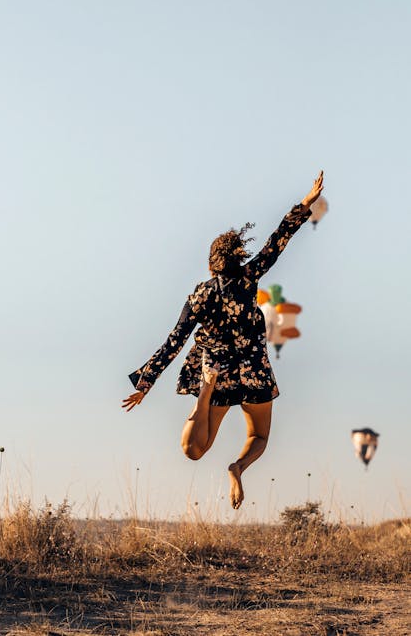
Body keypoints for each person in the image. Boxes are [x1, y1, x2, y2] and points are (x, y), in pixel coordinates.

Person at [122, 172, 324, 509]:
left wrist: (146, 382)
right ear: (238, 258)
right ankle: (237, 468)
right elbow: (279, 240)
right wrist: (304, 205)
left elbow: (174, 341)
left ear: (212, 262)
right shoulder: (248, 278)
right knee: (258, 437)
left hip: (217, 372)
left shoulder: (199, 295)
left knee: (194, 450)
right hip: (253, 369)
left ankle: (204, 394)